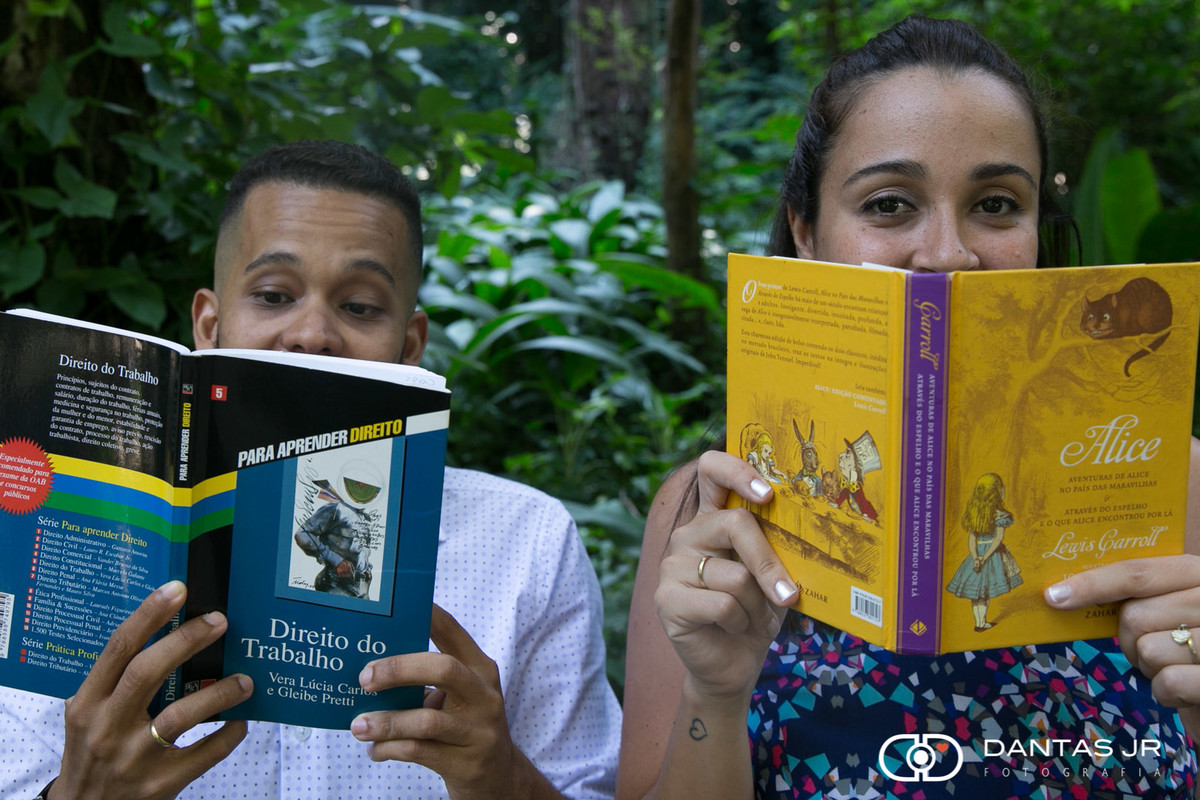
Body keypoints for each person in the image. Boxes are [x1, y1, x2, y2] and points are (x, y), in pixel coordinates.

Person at [617, 16, 1200, 800]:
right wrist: (712, 699)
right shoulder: (706, 509)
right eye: (890, 204)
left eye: (997, 204)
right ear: (806, 231)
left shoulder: (1179, 485)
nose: (949, 253)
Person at [0, 140, 621, 800]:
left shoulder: (527, 541)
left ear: (409, 348)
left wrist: (504, 781)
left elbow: (586, 786)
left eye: (359, 307)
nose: (312, 334)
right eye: (273, 295)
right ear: (209, 327)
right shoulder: (45, 531)